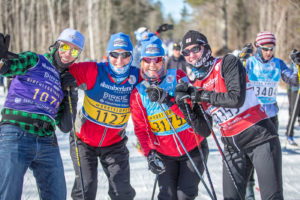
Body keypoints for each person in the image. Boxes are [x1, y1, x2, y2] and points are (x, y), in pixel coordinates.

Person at [177, 30, 283, 200]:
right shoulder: (196, 84)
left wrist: (202, 95)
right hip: (232, 147)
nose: (191, 56)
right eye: (186, 52)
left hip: (260, 137)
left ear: (206, 48)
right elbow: (204, 130)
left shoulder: (227, 63)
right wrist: (184, 107)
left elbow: (236, 99)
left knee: (272, 197)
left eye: (195, 49)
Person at [0, 28, 84, 199]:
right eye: (64, 47)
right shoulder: (34, 60)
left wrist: (72, 92)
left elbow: (66, 126)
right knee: (9, 193)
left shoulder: (64, 82)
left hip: (47, 141)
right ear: (56, 45)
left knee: (57, 195)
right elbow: (7, 68)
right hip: (17, 132)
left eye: (74, 50)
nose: (68, 53)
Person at [130, 36, 210, 200]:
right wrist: (150, 154)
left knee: (184, 196)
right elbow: (142, 129)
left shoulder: (178, 75)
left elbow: (191, 109)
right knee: (167, 196)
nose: (152, 64)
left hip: (193, 148)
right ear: (142, 62)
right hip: (165, 155)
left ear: (163, 60)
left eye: (157, 59)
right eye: (147, 59)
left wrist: (168, 98)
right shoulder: (138, 94)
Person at [68, 32, 138, 200]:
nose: (119, 61)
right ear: (108, 54)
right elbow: (59, 68)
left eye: (125, 55)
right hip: (83, 141)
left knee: (122, 192)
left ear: (131, 56)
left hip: (115, 144)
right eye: (114, 54)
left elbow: (159, 77)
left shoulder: (137, 76)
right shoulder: (93, 70)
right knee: (86, 187)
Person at [245, 31, 299, 144]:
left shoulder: (278, 63)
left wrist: (297, 65)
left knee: (272, 154)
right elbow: (234, 81)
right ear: (258, 47)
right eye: (265, 49)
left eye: (272, 48)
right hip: (252, 117)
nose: (269, 52)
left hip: (271, 116)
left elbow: (295, 81)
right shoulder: (250, 63)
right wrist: (240, 60)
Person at [286, 50, 300, 146]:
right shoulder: (294, 60)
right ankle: (289, 134)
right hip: (295, 90)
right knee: (293, 112)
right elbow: (291, 76)